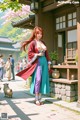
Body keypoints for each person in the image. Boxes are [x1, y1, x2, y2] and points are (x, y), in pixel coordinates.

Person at [16, 26, 51, 105]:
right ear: (35, 34)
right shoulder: (33, 43)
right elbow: (30, 54)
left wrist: (49, 62)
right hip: (37, 62)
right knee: (38, 79)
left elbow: (47, 54)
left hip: (44, 62)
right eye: (38, 33)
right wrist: (37, 54)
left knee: (43, 79)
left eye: (41, 33)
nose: (39, 35)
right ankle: (36, 98)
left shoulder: (43, 43)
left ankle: (40, 98)